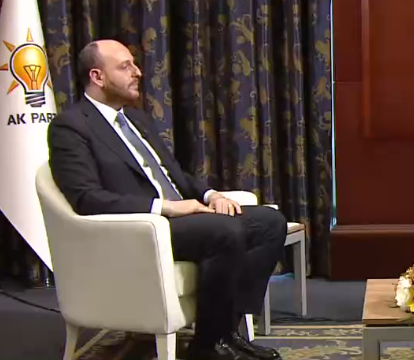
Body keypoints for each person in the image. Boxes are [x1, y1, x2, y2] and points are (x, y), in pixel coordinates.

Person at [48, 40, 287, 360]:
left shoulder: (136, 120)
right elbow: (87, 198)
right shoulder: (71, 127)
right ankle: (207, 348)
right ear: (97, 76)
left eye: (134, 64)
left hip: (181, 220)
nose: (137, 72)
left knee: (270, 223)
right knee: (224, 231)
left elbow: (174, 174)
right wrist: (169, 207)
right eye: (125, 66)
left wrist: (210, 195)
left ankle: (225, 333)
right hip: (140, 228)